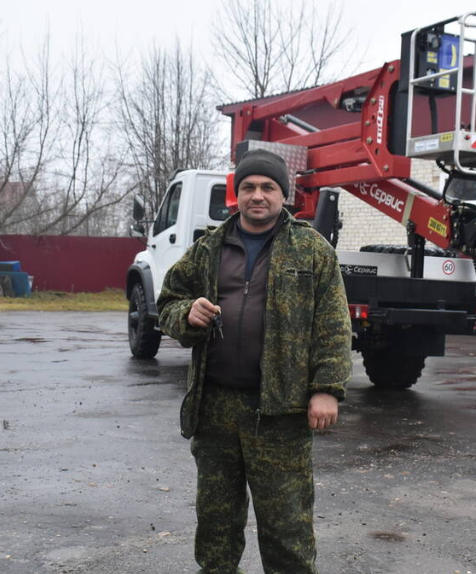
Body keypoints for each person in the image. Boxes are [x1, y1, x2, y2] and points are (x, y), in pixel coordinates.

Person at [157, 148, 352, 574]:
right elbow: (168, 301)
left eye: (267, 187)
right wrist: (187, 314)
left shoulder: (311, 250)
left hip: (280, 413)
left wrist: (326, 389)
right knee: (216, 527)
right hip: (215, 409)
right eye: (248, 187)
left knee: (287, 531)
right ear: (236, 194)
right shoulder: (207, 249)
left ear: (284, 194)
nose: (257, 195)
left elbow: (333, 325)